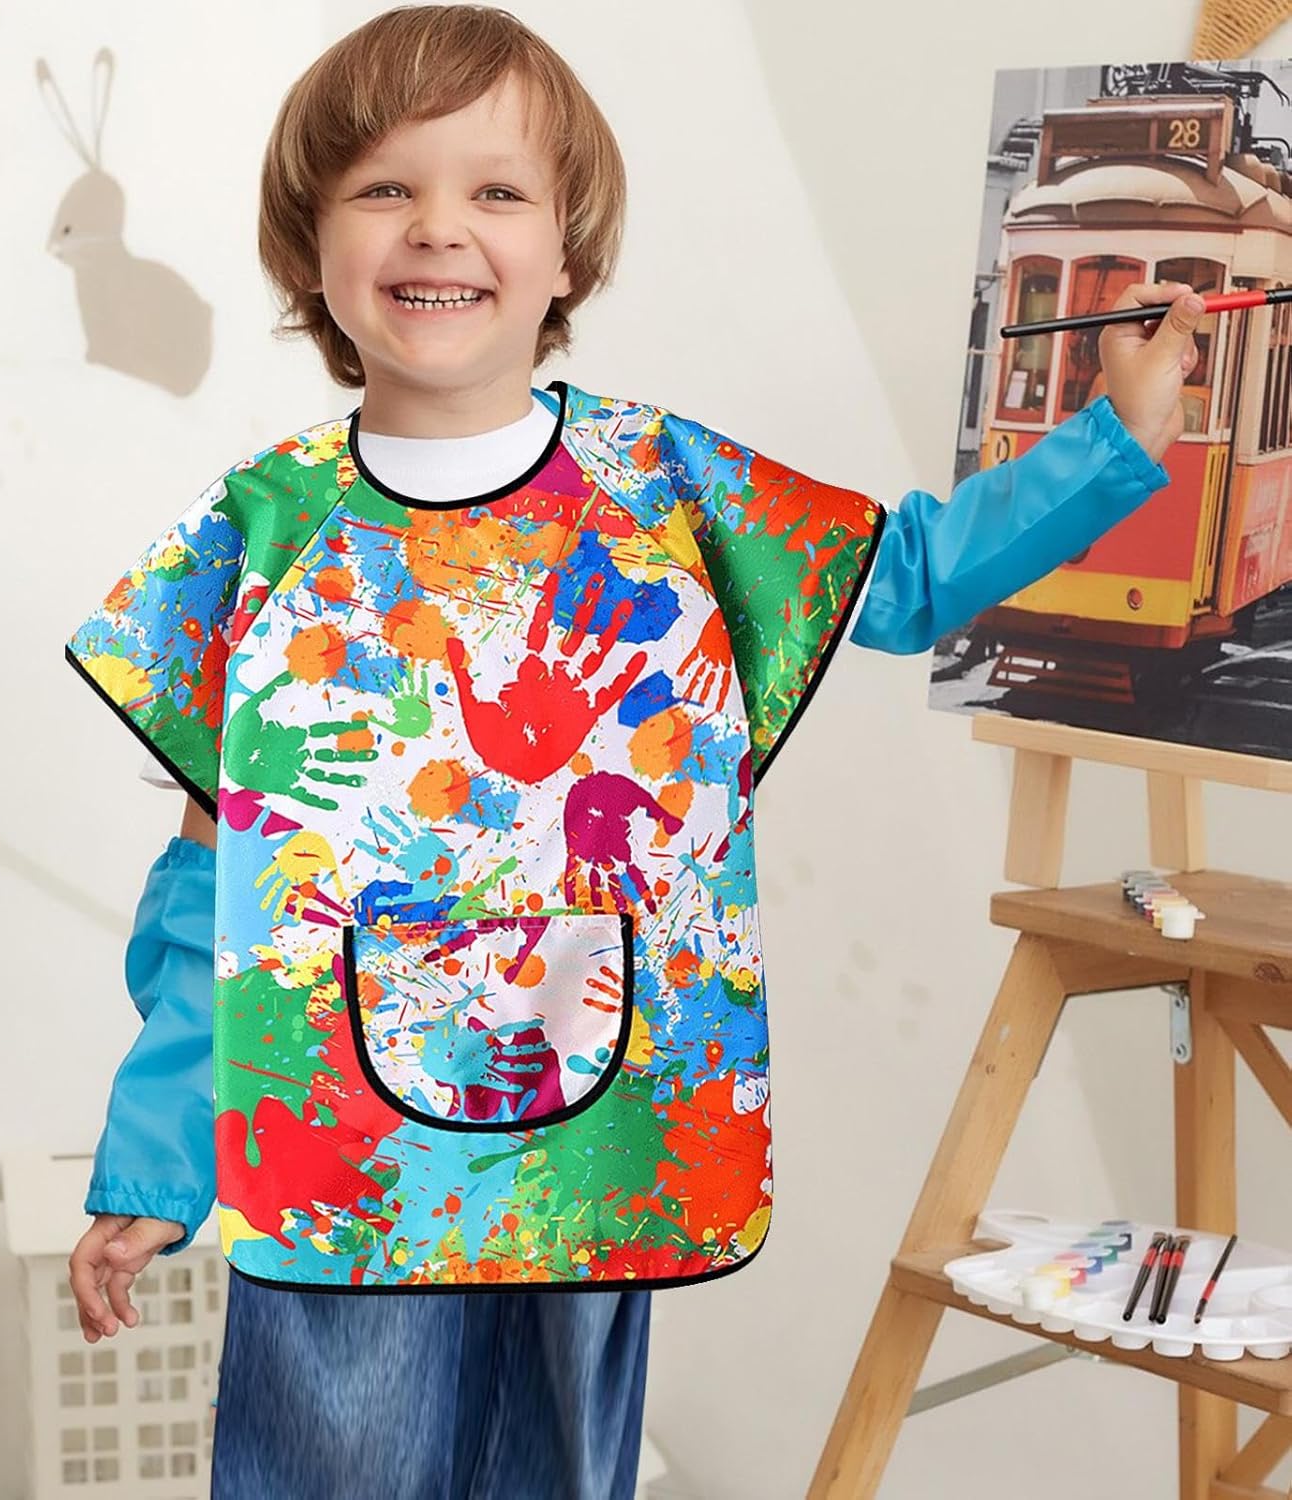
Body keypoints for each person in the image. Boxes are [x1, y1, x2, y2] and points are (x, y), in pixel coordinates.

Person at [62, 7, 1203, 1496]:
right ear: (309, 245)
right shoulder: (259, 532)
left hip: (590, 1130)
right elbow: (210, 878)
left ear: (567, 254)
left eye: (496, 190)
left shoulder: (665, 485)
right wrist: (160, 1160)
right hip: (335, 1146)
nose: (438, 227)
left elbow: (912, 576)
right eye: (385, 187)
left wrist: (1116, 437)